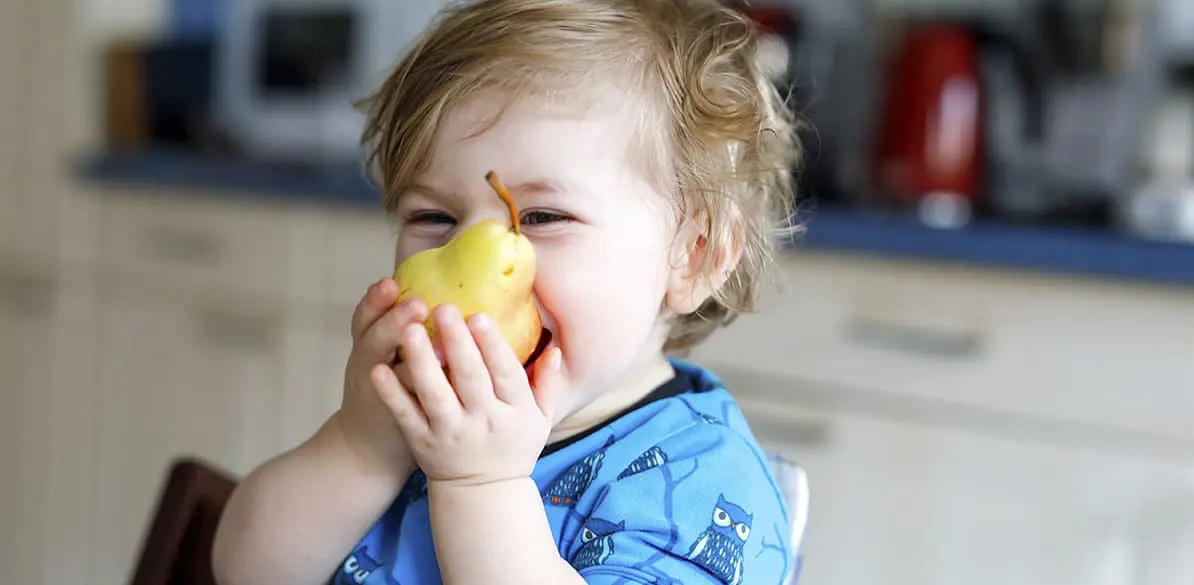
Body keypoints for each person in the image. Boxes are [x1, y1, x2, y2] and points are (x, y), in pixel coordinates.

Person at [211, 1, 804, 584]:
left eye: (542, 216)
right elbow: (245, 570)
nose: (478, 251)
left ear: (693, 257)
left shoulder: (699, 487)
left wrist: (480, 488)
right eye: (434, 218)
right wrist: (359, 444)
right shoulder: (417, 418)